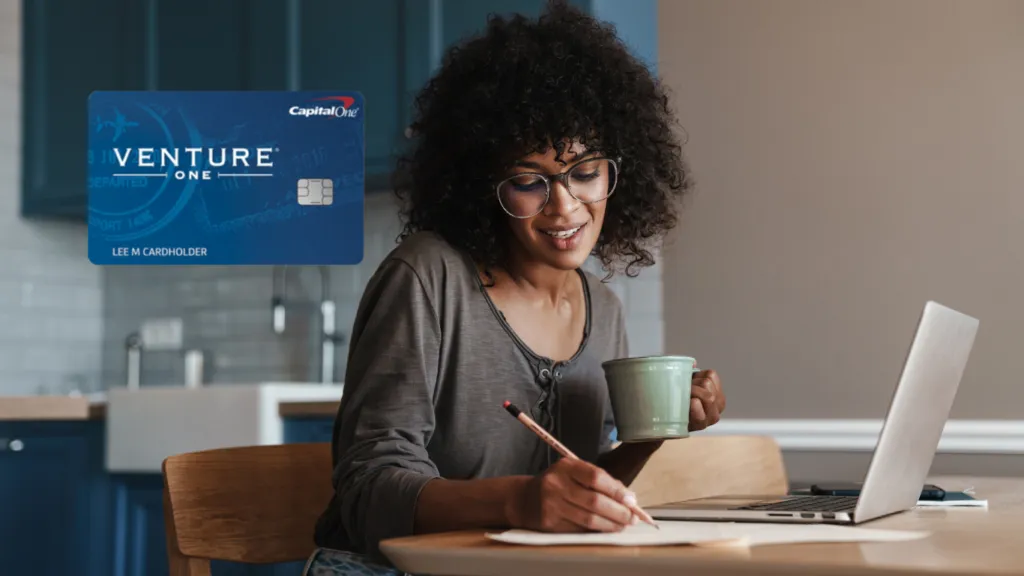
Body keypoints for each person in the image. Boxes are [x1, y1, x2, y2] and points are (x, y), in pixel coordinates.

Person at [310, 1, 726, 571]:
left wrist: (657, 431)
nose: (564, 206)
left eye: (585, 173)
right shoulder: (427, 278)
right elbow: (368, 491)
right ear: (483, 184)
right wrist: (519, 500)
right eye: (530, 182)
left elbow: (569, 497)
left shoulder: (602, 309)